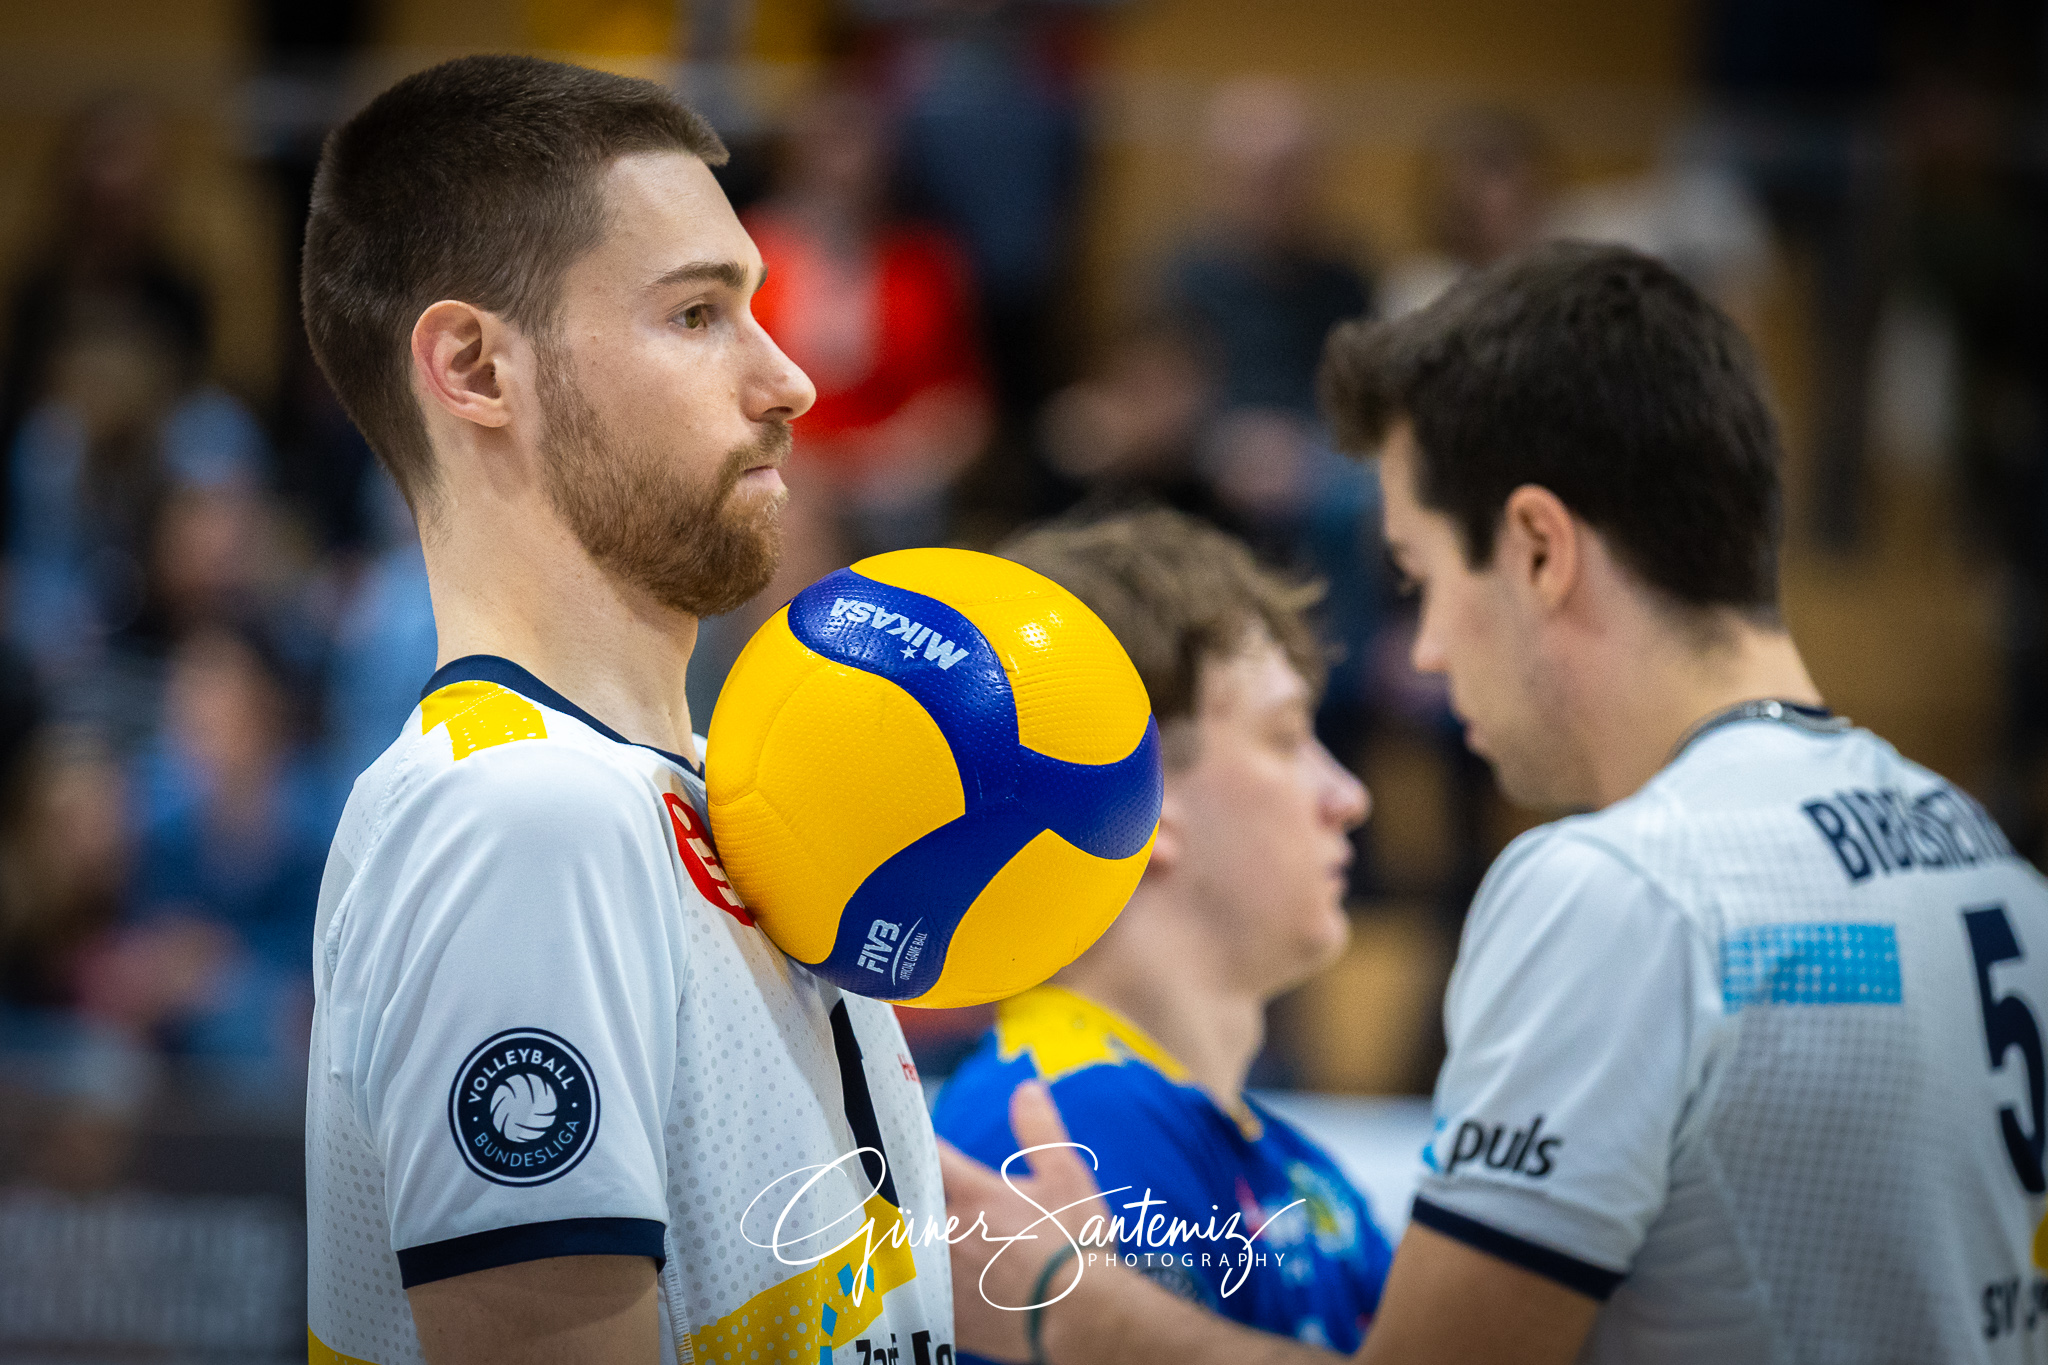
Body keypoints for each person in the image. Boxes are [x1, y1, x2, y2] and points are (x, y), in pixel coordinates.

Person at [939, 242, 2048, 1365]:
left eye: (1419, 577)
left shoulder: (1627, 888)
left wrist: (1067, 1311)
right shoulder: (1978, 858)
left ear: (1535, 548)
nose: (1422, 648)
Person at [297, 56, 954, 1365]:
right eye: (701, 314)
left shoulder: (685, 786)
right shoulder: (520, 817)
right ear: (478, 368)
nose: (793, 383)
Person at [932, 509, 1390, 1354]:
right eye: (1286, 737)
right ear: (1136, 794)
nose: (1346, 794)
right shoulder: (1064, 1127)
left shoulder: (1292, 1163)